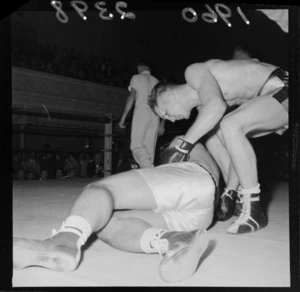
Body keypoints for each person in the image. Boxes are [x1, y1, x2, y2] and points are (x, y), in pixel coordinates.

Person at [13, 136, 219, 283]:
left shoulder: (185, 141)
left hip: (193, 179)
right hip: (201, 217)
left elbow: (175, 154)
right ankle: (173, 240)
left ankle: (64, 241)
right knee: (102, 223)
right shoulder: (213, 156)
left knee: (101, 190)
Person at [148, 58, 288, 234]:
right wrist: (230, 190)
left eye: (164, 113)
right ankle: (235, 195)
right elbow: (235, 148)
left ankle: (254, 208)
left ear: (166, 95)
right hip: (269, 99)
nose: (169, 119)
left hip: (283, 85)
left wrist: (182, 147)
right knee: (214, 136)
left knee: (230, 124)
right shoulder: (205, 106)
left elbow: (216, 106)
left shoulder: (193, 72)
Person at [118, 60, 165, 168]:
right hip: (156, 113)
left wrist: (123, 117)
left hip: (142, 111)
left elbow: (132, 96)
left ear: (140, 68)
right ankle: (148, 175)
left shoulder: (136, 77)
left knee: (136, 145)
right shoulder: (156, 81)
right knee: (149, 148)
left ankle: (150, 169)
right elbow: (163, 102)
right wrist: (162, 124)